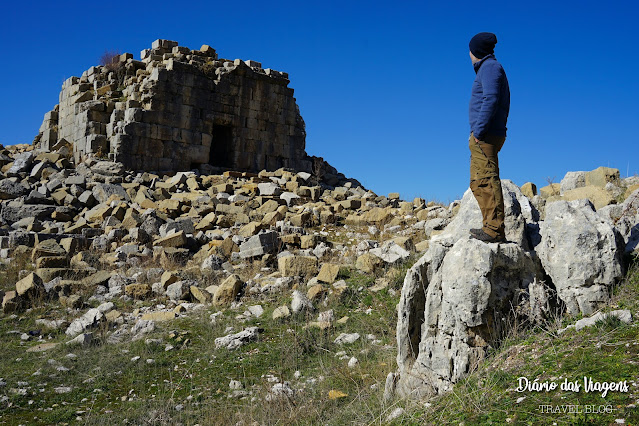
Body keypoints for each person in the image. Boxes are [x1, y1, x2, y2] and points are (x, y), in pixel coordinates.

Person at [467, 32, 510, 243]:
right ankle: (489, 227)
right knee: (479, 182)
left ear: (475, 51)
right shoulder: (488, 68)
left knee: (486, 179)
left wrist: (479, 131)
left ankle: (494, 230)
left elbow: (491, 98)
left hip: (485, 135)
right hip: (485, 133)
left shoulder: (490, 68)